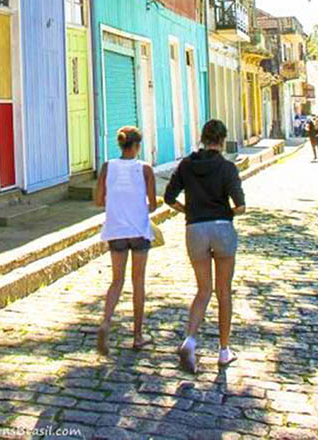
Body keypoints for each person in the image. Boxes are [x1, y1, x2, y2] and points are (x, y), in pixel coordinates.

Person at [164, 119, 245, 373]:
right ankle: (223, 350)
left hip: (195, 229)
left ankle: (190, 339)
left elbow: (168, 197)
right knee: (224, 291)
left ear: (202, 138)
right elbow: (241, 206)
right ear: (222, 140)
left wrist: (187, 210)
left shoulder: (186, 165)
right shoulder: (227, 168)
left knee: (203, 290)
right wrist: (227, 213)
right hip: (222, 227)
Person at [95, 125, 157, 355]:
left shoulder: (107, 167)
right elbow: (152, 203)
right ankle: (138, 336)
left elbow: (98, 200)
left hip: (116, 230)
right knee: (138, 282)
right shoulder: (145, 169)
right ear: (138, 146)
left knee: (116, 281)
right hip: (138, 230)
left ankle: (105, 323)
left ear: (121, 145)